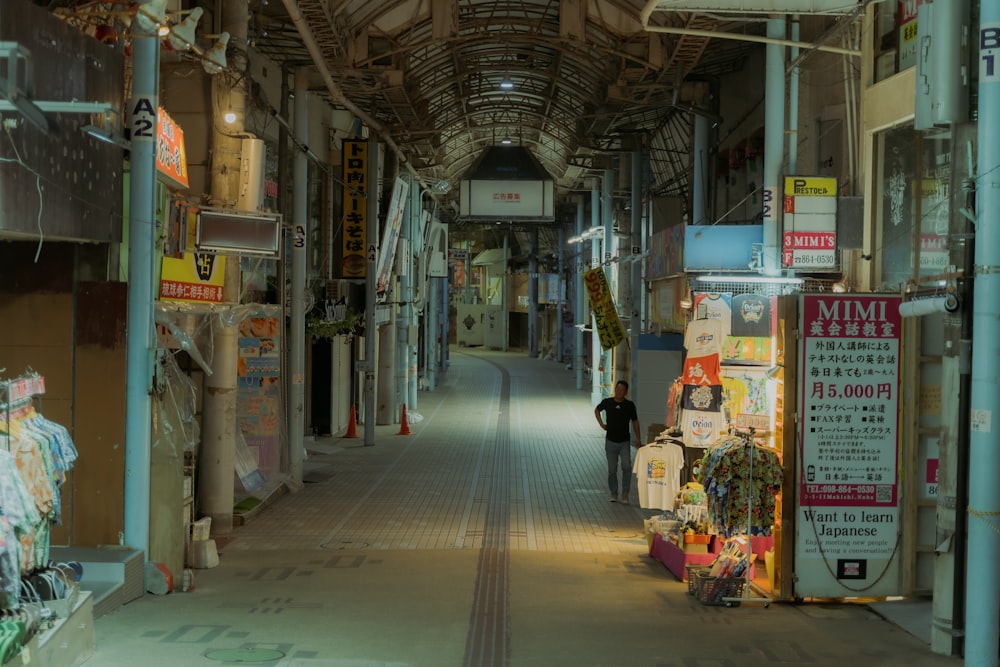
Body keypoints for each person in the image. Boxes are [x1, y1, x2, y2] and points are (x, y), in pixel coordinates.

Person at [594, 380, 642, 505]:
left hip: (624, 442)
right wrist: (601, 424)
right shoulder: (608, 402)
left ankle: (625, 492)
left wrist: (638, 439)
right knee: (612, 469)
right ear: (615, 389)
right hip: (610, 441)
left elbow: (635, 422)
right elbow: (597, 410)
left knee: (626, 466)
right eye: (618, 389)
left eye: (622, 390)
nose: (619, 392)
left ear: (626, 392)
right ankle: (613, 492)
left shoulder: (629, 405)